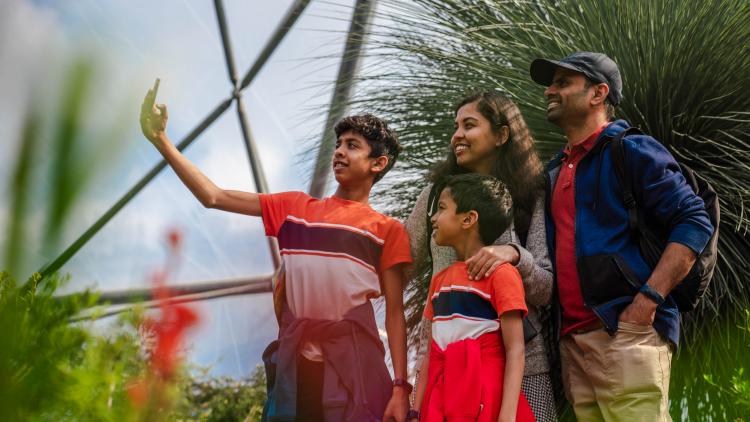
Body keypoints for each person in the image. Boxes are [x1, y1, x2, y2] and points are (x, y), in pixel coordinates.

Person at [139, 86, 412, 421]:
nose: (339, 151)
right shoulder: (294, 207)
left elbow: (395, 315)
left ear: (378, 163)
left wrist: (401, 388)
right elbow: (214, 196)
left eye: (352, 146)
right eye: (339, 144)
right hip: (296, 365)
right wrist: (161, 141)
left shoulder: (387, 230)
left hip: (354, 365)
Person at [529, 51, 715, 420]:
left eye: (563, 82)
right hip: (574, 345)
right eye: (551, 84)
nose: (550, 90)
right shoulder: (556, 170)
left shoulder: (632, 148)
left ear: (598, 93)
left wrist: (645, 303)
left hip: (626, 333)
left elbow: (694, 221)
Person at [405, 91, 556, 421]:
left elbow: (546, 287)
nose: (456, 135)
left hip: (524, 369)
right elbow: (398, 264)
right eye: (455, 125)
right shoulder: (434, 198)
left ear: (502, 134)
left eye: (469, 125)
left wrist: (513, 254)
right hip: (445, 373)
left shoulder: (531, 195)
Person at [412, 173, 536, 422]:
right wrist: (416, 411)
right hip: (441, 401)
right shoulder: (439, 281)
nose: (433, 218)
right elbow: (429, 353)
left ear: (468, 219)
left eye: (442, 208)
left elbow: (515, 349)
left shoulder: (501, 275)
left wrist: (507, 415)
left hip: (486, 397)